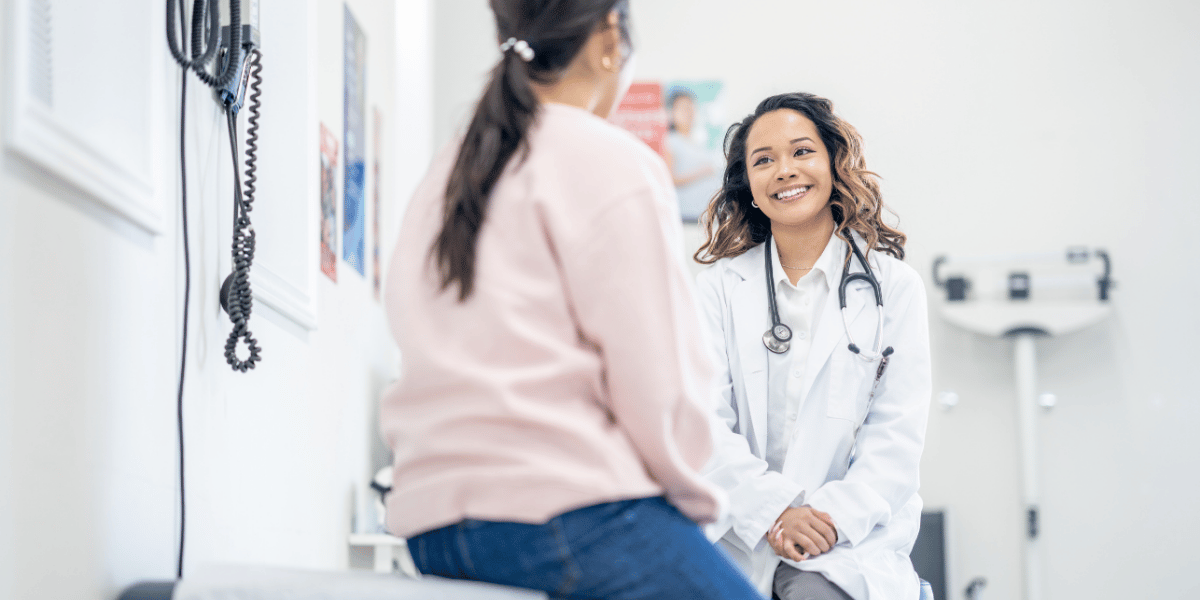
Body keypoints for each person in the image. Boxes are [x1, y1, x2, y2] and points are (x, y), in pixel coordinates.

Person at [379, 2, 763, 599]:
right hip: (569, 516)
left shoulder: (448, 173)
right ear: (610, 35)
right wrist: (695, 508)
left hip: (432, 531)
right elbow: (659, 388)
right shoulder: (611, 159)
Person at [693, 92, 932, 600]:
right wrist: (775, 511)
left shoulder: (895, 289)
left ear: (834, 165)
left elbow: (895, 439)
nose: (784, 170)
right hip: (742, 532)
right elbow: (702, 425)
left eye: (802, 152)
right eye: (764, 160)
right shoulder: (717, 290)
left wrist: (824, 522)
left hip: (848, 542)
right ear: (749, 186)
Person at [663, 89, 721, 221]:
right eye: (683, 108)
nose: (689, 113)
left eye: (691, 108)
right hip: (687, 215)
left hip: (706, 214)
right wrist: (703, 172)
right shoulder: (671, 141)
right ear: (672, 112)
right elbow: (669, 179)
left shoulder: (698, 141)